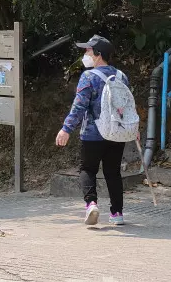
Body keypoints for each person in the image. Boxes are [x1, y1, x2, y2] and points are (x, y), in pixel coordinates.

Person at [55, 35, 130, 226]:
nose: (85, 54)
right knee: (113, 172)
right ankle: (117, 213)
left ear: (98, 54)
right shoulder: (121, 76)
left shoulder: (88, 77)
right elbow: (127, 106)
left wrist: (66, 129)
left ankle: (91, 204)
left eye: (88, 50)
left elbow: (79, 106)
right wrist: (133, 128)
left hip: (93, 134)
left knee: (87, 169)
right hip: (117, 133)